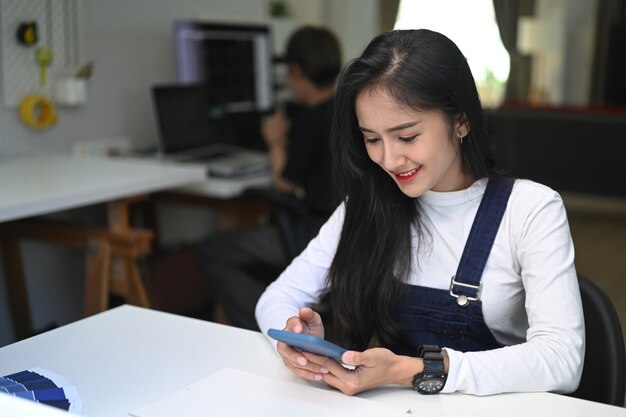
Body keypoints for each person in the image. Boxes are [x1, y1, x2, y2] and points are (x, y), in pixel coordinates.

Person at [255, 29, 584, 396]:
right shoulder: (365, 207)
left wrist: (410, 370)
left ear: (460, 121)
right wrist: (295, 342)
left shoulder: (530, 209)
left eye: (407, 137)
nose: (390, 160)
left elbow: (563, 360)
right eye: (372, 139)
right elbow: (276, 297)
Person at [200, 26, 342, 331]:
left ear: (296, 72)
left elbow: (284, 184)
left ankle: (270, 323)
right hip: (343, 230)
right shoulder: (347, 109)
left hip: (312, 231)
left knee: (215, 250)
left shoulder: (310, 118)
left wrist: (275, 141)